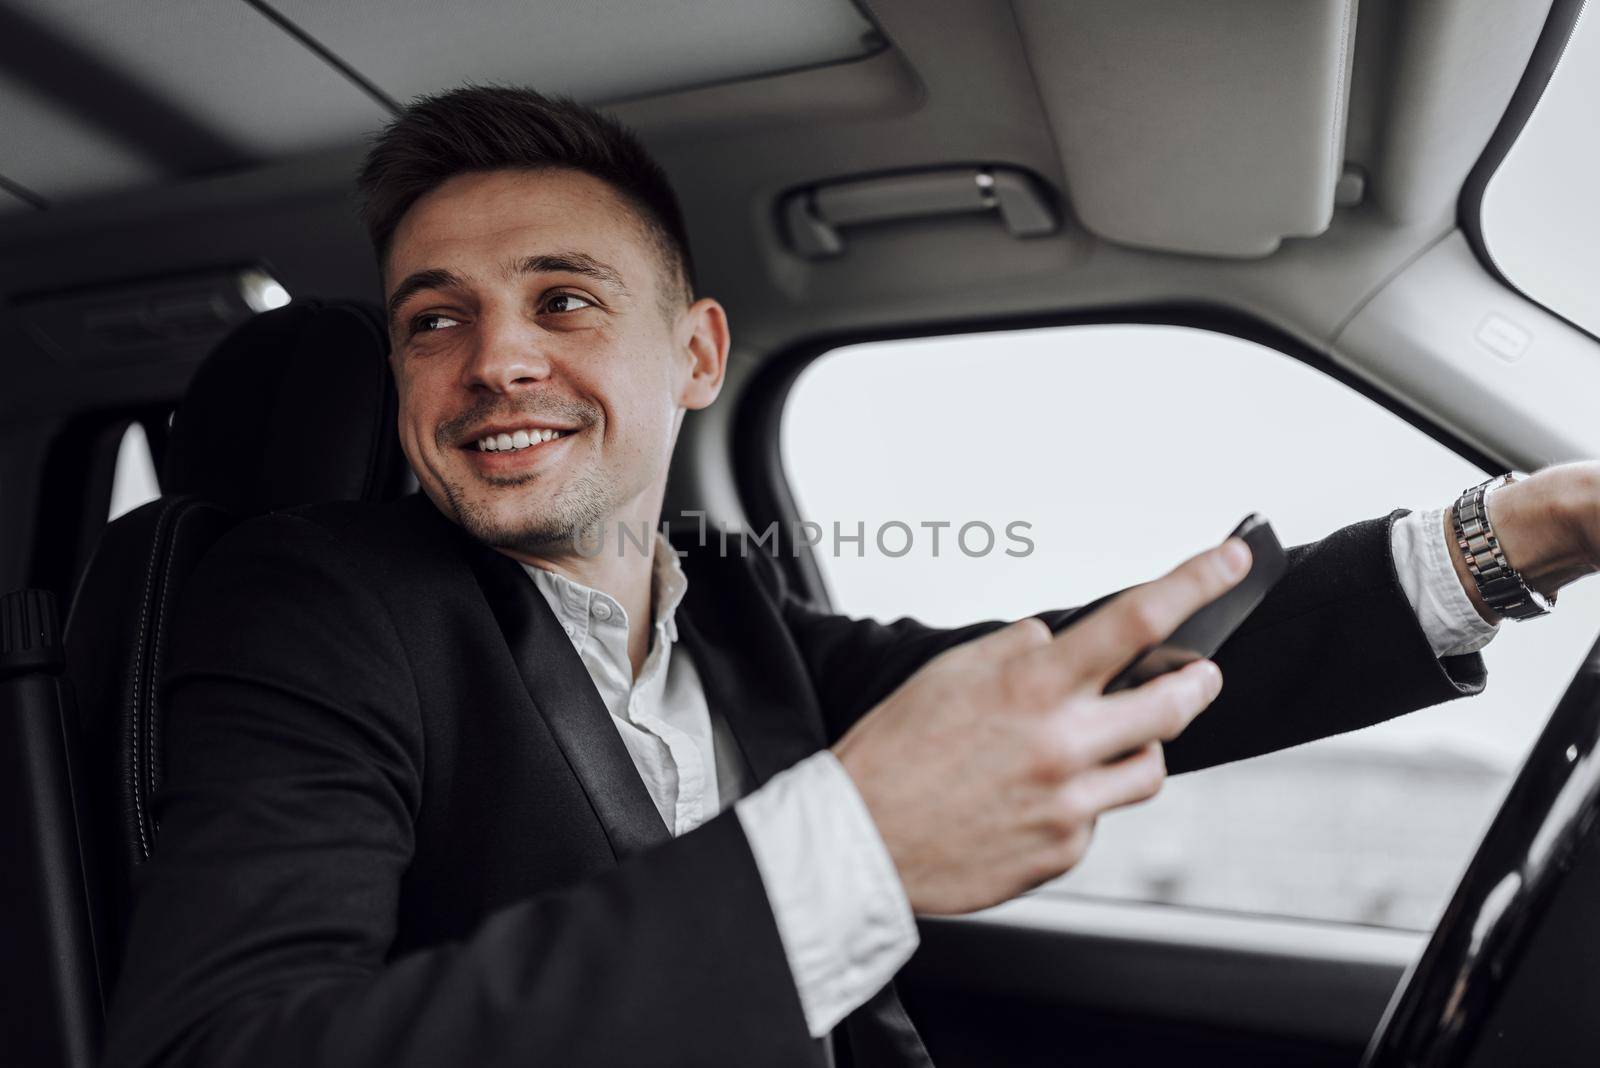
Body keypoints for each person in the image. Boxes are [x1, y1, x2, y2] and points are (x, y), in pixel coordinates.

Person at [102, 86, 1600, 1068]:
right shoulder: (317, 602)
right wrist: (849, 851)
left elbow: (1076, 679)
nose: (497, 358)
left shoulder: (735, 613)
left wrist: (1512, 538)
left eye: (562, 299)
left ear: (694, 356)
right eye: (435, 320)